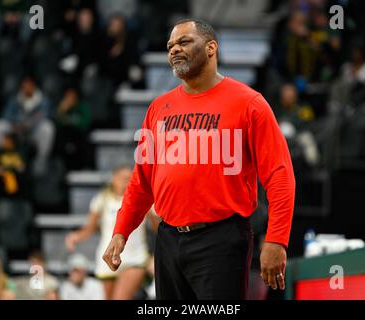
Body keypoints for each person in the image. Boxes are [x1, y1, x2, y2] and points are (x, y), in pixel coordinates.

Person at [103, 19, 296, 299]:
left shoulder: (249, 103)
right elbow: (141, 181)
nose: (174, 50)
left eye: (184, 42)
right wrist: (121, 232)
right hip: (167, 238)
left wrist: (277, 239)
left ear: (211, 48)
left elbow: (280, 176)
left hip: (221, 239)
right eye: (170, 46)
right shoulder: (159, 108)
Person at [65, 166, 157, 300]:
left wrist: (149, 212)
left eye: (128, 178)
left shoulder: (141, 198)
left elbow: (157, 228)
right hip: (108, 254)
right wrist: (76, 236)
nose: (125, 181)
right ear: (113, 178)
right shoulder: (102, 199)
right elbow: (90, 228)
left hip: (134, 256)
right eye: (122, 178)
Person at [0, 75, 55, 175]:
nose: (27, 88)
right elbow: (7, 115)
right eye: (25, 86)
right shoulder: (15, 99)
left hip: (33, 132)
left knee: (48, 128)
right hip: (17, 130)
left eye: (29, 86)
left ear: (34, 86)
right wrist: (17, 123)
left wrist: (28, 124)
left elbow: (44, 116)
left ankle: (41, 160)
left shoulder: (42, 100)